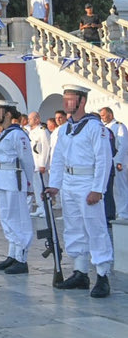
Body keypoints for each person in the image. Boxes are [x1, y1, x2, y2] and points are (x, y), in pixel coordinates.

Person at [46, 85, 114, 298]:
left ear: (82, 101)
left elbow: (104, 159)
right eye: (65, 98)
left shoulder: (95, 127)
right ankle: (80, 272)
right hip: (69, 182)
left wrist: (98, 189)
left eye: (71, 98)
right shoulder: (65, 128)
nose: (67, 102)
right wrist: (55, 184)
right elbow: (57, 158)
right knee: (74, 227)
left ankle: (102, 275)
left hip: (88, 182)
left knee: (95, 228)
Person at [0, 100, 35, 275]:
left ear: (8, 114)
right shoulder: (4, 133)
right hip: (3, 178)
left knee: (19, 218)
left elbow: (27, 161)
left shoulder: (18, 135)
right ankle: (13, 254)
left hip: (15, 178)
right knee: (7, 217)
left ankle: (22, 258)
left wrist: (30, 183)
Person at [100, 107, 128, 220]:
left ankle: (124, 213)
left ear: (110, 115)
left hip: (118, 163)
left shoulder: (119, 126)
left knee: (120, 189)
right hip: (109, 163)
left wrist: (118, 161)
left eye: (103, 115)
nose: (102, 118)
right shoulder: (105, 128)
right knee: (111, 190)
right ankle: (116, 211)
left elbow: (123, 145)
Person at [27, 112, 51, 218]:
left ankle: (47, 208)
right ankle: (40, 207)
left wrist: (43, 164)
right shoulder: (31, 132)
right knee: (37, 188)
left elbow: (45, 148)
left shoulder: (43, 131)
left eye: (30, 119)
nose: (28, 121)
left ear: (37, 119)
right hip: (33, 164)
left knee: (43, 187)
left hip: (40, 165)